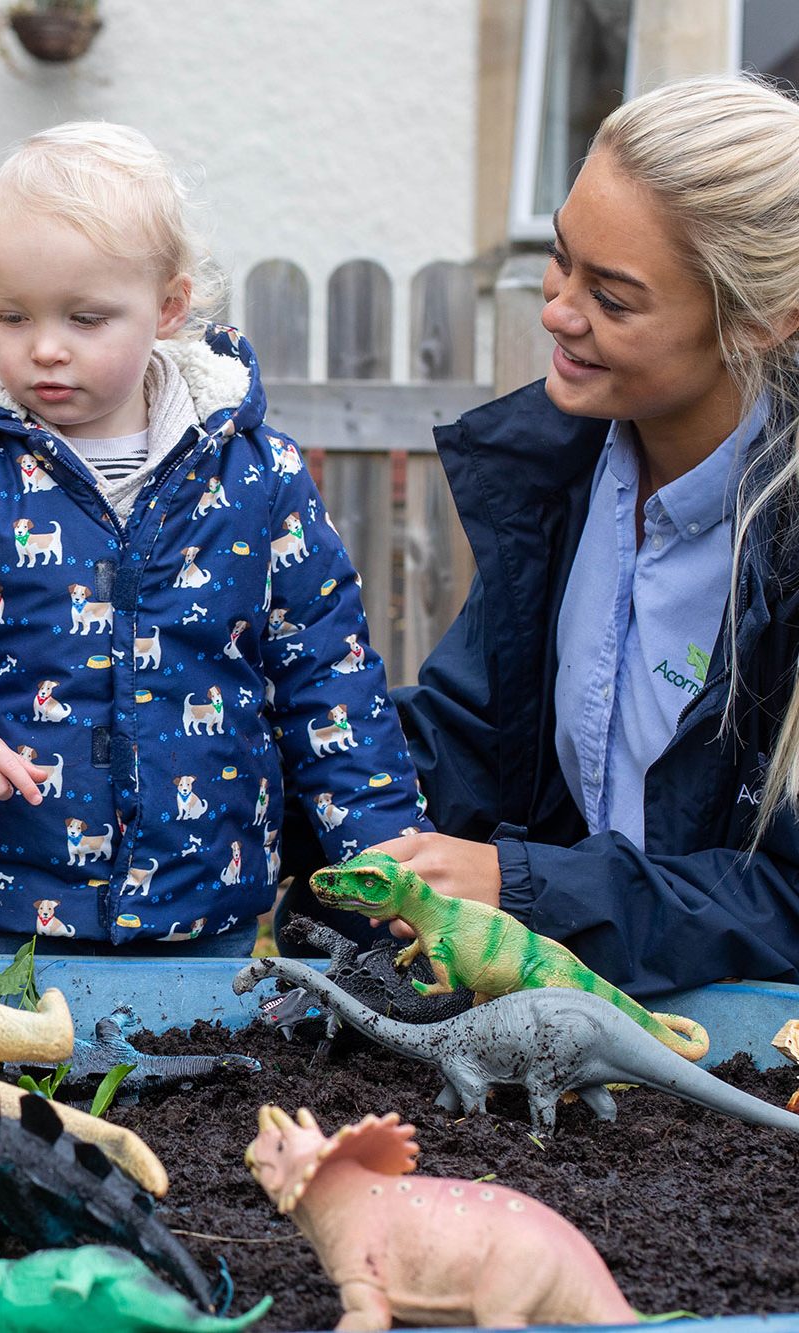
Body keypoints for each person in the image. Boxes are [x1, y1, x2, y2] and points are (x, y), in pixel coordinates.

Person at [0, 122, 429, 957]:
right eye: (12, 313)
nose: (45, 348)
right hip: (1, 893)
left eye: (87, 317)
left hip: (201, 889)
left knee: (189, 1080)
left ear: (168, 308)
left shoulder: (254, 474)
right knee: (10, 1081)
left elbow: (329, 672)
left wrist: (390, 857)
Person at [279, 74, 799, 1000]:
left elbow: (785, 903)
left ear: (760, 320)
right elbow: (473, 743)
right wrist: (250, 771)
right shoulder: (565, 478)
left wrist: (523, 889)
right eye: (563, 260)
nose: (559, 310)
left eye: (615, 297)